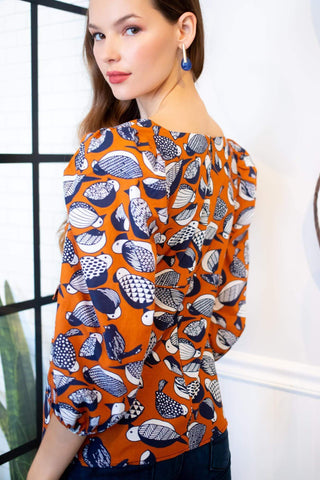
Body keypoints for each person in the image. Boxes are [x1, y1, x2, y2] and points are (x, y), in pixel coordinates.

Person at [27, 0, 257, 479]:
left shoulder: (120, 156)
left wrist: (42, 470)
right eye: (97, 35)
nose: (107, 53)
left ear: (184, 29)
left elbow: (100, 346)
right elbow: (225, 320)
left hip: (119, 456)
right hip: (205, 437)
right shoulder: (235, 163)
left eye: (129, 29)